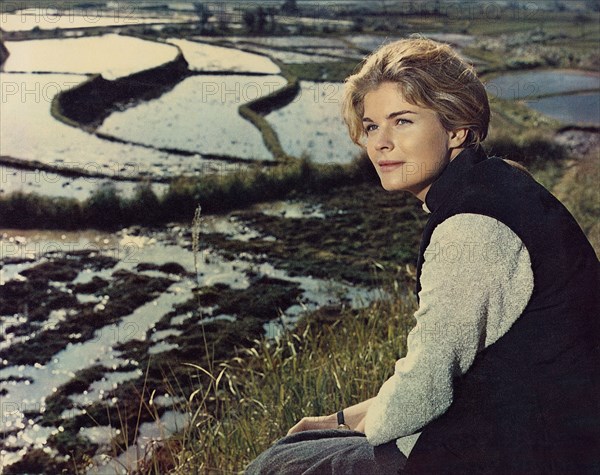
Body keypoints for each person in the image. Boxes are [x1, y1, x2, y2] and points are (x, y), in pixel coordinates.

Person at [245, 37, 600, 474]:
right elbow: (441, 376)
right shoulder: (500, 182)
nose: (381, 143)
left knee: (276, 466)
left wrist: (344, 431)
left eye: (403, 121)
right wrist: (337, 422)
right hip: (540, 430)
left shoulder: (472, 228)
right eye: (372, 126)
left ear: (456, 128)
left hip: (530, 451)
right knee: (303, 445)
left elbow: (426, 388)